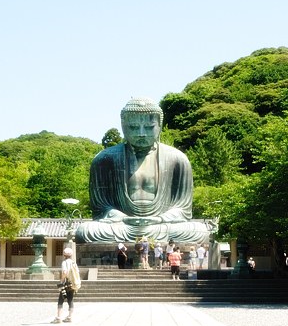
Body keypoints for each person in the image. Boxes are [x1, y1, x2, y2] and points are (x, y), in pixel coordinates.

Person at [75, 98, 213, 244]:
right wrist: (123, 218)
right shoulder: (105, 159)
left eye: (148, 127)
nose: (141, 133)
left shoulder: (177, 159)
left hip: (161, 225)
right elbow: (101, 208)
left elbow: (183, 208)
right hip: (122, 225)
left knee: (199, 230)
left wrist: (160, 219)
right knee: (86, 230)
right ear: (123, 126)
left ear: (159, 126)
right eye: (134, 127)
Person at [51, 247, 80, 323]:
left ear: (64, 255)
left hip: (66, 283)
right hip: (73, 283)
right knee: (70, 300)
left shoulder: (64, 262)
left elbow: (65, 272)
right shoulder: (74, 263)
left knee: (61, 299)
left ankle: (58, 317)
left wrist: (61, 280)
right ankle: (70, 317)